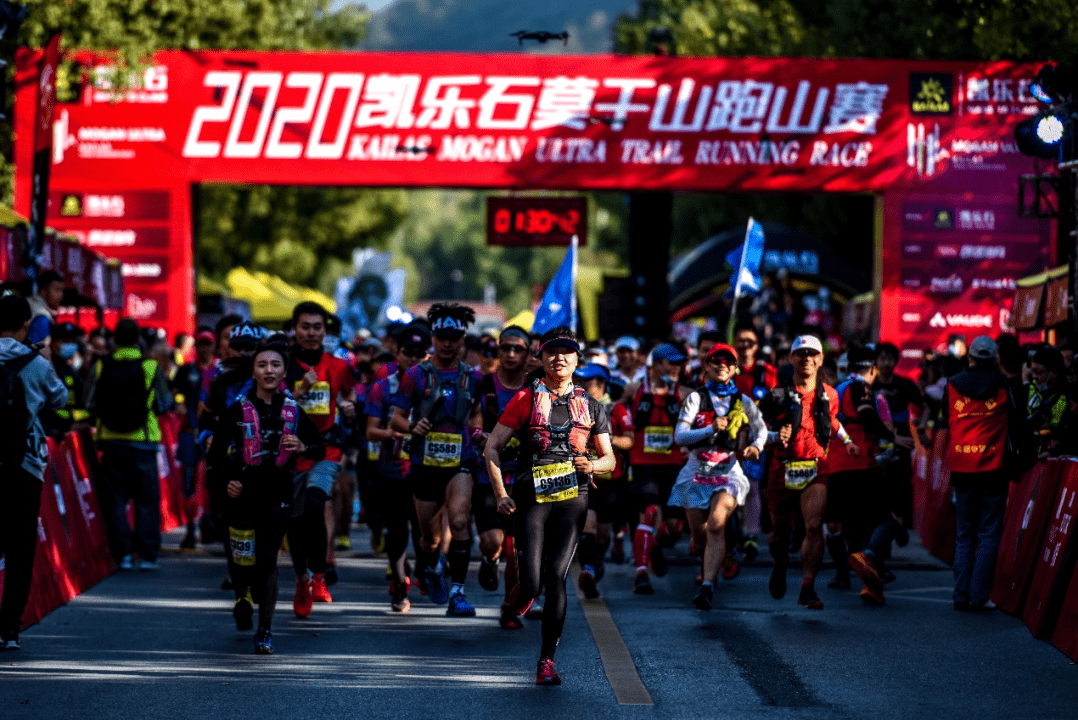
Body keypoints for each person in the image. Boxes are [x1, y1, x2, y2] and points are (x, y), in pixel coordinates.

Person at [484, 326, 615, 686]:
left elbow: (609, 459)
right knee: (531, 584)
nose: (559, 358)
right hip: (532, 497)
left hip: (573, 498)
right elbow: (492, 447)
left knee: (556, 576)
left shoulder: (592, 406)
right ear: (540, 359)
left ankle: (546, 660)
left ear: (577, 360)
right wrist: (501, 494)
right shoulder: (525, 399)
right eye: (552, 352)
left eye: (567, 353)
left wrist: (593, 465)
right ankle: (520, 596)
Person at [219, 336, 325, 653]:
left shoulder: (293, 411)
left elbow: (319, 448)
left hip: (278, 495)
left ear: (284, 372)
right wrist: (228, 481)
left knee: (268, 561)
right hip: (241, 496)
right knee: (243, 560)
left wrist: (303, 446)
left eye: (275, 365)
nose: (269, 370)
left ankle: (264, 631)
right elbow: (214, 457)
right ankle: (242, 595)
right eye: (262, 365)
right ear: (253, 371)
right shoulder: (237, 410)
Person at [391, 303, 484, 617]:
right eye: (441, 337)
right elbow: (397, 418)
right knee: (429, 539)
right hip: (425, 464)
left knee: (458, 521)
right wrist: (411, 427)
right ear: (433, 337)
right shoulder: (415, 376)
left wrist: (478, 433)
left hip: (461, 461)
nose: (447, 343)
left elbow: (477, 414)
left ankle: (457, 593)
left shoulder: (473, 377)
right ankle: (430, 565)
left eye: (453, 337)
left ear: (463, 339)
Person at [759, 334, 859, 610]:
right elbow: (756, 428)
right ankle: (780, 562)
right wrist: (773, 435)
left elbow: (833, 420)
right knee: (779, 535)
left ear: (821, 359)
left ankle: (808, 586)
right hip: (783, 468)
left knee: (814, 525)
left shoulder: (830, 394)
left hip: (816, 467)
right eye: (801, 354)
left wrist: (848, 442)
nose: (806, 359)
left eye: (812, 354)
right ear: (792, 358)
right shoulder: (776, 395)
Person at [669, 343, 767, 611]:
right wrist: (710, 428)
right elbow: (680, 436)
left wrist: (756, 446)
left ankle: (707, 587)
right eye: (716, 360)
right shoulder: (695, 399)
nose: (722, 365)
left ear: (735, 368)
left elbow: (761, 429)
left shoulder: (743, 401)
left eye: (728, 361)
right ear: (707, 366)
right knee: (700, 536)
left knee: (715, 525)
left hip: (728, 472)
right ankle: (711, 560)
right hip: (696, 471)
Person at [0, 295, 67, 650]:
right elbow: (60, 399)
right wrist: (45, 360)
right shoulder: (36, 363)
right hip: (24, 465)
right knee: (20, 550)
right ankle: (9, 629)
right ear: (26, 324)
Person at [285, 302, 356, 617]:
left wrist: (350, 408)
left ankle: (318, 575)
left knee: (316, 505)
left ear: (325, 331)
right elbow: (270, 402)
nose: (311, 333)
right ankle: (302, 578)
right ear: (295, 329)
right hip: (288, 453)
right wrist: (299, 393)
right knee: (294, 521)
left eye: (317, 327)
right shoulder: (282, 365)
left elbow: (350, 396)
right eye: (305, 327)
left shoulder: (338, 366)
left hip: (325, 450)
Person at [86, 318, 174, 570]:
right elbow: (163, 404)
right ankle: (147, 556)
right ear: (138, 340)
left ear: (114, 339)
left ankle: (123, 554)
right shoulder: (150, 367)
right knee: (147, 501)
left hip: (110, 443)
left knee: (116, 500)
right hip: (144, 444)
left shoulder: (101, 365)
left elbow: (89, 402)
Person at [826, 345, 906, 605]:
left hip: (836, 466)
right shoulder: (864, 389)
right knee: (890, 521)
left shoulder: (837, 390)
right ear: (872, 369)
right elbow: (869, 416)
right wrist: (893, 438)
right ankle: (870, 557)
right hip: (860, 464)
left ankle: (870, 585)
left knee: (848, 526)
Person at [942, 336, 1012, 612]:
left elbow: (945, 419)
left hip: (963, 468)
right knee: (989, 534)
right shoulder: (1004, 385)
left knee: (965, 535)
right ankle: (979, 597)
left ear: (969, 357)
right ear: (994, 359)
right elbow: (1017, 422)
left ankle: (960, 595)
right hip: (994, 468)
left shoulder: (952, 384)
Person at [365, 324, 430, 613]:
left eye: (420, 353)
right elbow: (370, 431)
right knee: (396, 528)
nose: (414, 358)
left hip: (427, 468)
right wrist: (394, 433)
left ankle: (425, 568)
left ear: (429, 355)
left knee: (423, 529)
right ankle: (400, 582)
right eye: (408, 353)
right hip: (392, 468)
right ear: (397, 352)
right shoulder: (383, 386)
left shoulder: (436, 386)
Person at [623, 342, 692, 595]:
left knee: (675, 528)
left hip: (673, 465)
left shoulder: (684, 393)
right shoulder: (634, 390)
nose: (676, 368)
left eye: (679, 364)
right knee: (650, 513)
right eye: (671, 363)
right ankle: (641, 574)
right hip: (643, 464)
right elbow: (616, 411)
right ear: (655, 365)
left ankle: (652, 545)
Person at [474, 326, 531, 627]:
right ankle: (488, 559)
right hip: (488, 475)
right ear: (497, 351)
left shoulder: (536, 387)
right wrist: (479, 436)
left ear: (527, 354)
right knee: (492, 542)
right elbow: (471, 420)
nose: (510, 354)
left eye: (517, 349)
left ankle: (509, 606)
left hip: (524, 477)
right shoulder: (483, 384)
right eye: (505, 348)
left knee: (515, 548)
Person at [575, 362, 634, 601]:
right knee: (587, 526)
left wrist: (608, 440)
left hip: (611, 481)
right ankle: (588, 569)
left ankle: (597, 562)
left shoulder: (617, 409)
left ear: (601, 384)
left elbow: (630, 440)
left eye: (585, 381)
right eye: (578, 380)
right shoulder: (573, 406)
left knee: (602, 533)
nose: (580, 385)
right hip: (583, 478)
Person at [731, 321, 778, 561]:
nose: (745, 346)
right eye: (740, 341)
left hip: (754, 438)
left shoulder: (767, 373)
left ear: (757, 346)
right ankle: (733, 532)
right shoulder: (726, 370)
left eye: (750, 342)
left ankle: (750, 534)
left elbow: (776, 404)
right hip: (727, 438)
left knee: (751, 485)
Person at [171, 327, 216, 549]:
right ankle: (190, 529)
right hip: (189, 434)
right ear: (196, 347)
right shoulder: (186, 370)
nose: (205, 348)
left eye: (208, 344)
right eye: (201, 344)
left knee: (211, 482)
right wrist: (177, 404)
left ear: (214, 347)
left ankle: (209, 525)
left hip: (213, 436)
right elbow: (172, 394)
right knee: (188, 483)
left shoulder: (219, 372)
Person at [41, 322, 89, 439]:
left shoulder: (70, 370)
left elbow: (84, 403)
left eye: (72, 342)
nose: (69, 346)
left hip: (71, 433)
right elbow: (47, 408)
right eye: (65, 341)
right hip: (54, 434)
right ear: (52, 342)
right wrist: (69, 423)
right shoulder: (45, 368)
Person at [27, 270, 65, 360]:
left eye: (62, 291)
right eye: (57, 290)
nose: (61, 295)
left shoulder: (28, 302)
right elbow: (38, 352)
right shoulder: (42, 317)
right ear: (43, 291)